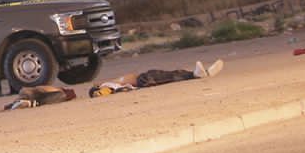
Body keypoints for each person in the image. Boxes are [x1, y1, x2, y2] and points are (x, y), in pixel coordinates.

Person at [89, 59, 224, 97]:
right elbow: (101, 93)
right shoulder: (106, 86)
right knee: (167, 76)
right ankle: (195, 75)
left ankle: (200, 73)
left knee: (169, 75)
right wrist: (100, 89)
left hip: (141, 80)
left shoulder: (110, 84)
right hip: (142, 81)